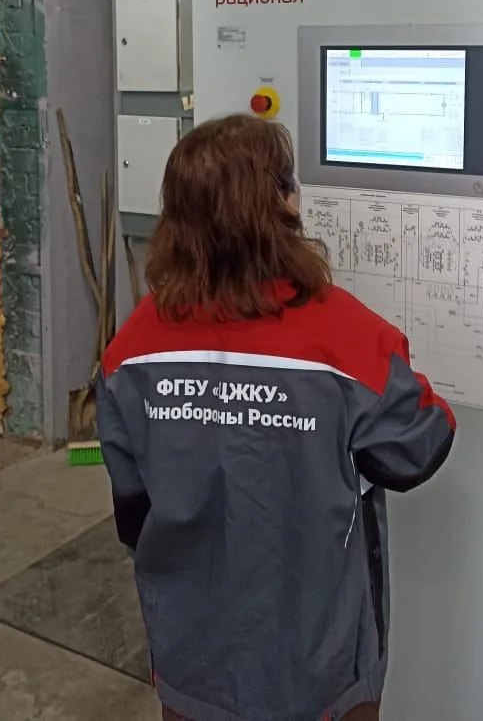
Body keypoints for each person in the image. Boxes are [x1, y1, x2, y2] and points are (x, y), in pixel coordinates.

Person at [96, 114, 456, 721]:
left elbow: (132, 513)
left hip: (191, 665)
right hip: (321, 669)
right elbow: (420, 448)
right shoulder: (350, 339)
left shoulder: (130, 349)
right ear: (285, 206)